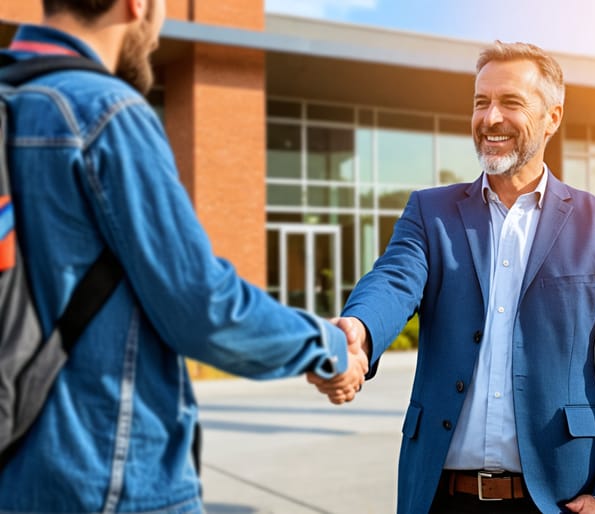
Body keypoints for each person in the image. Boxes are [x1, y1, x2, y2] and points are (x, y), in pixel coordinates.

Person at [0, 0, 366, 512]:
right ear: (138, 5)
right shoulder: (106, 113)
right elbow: (202, 307)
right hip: (105, 480)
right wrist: (326, 346)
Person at [311, 41, 595, 514]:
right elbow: (394, 280)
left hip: (558, 500)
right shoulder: (430, 211)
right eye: (481, 102)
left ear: (553, 117)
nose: (490, 117)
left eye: (511, 102)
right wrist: (361, 331)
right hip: (440, 496)